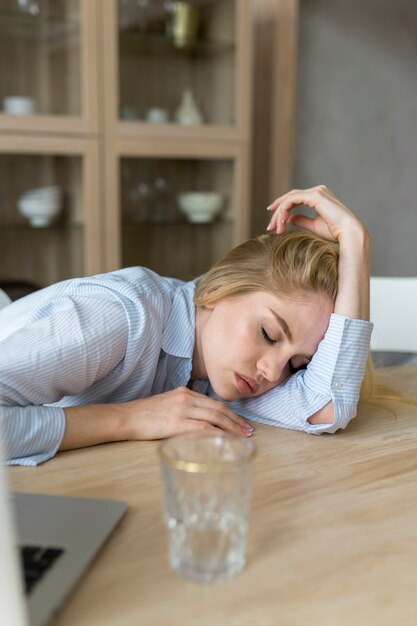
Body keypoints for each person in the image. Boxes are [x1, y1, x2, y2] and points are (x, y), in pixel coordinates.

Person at [0, 185, 373, 466]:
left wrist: (356, 245)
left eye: (297, 363)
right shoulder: (121, 317)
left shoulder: (218, 370)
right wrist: (129, 420)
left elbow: (326, 409)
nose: (273, 372)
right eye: (268, 334)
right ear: (218, 289)